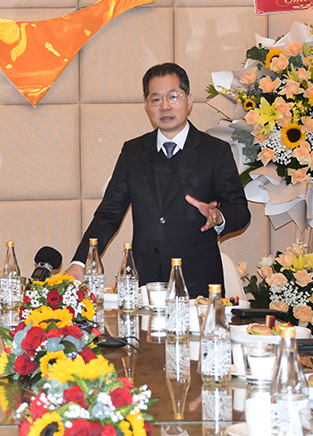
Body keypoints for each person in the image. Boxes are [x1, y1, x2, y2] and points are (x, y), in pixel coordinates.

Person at [64, 63, 250, 297]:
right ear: (146, 105)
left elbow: (240, 210)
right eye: (156, 99)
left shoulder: (214, 151)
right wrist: (80, 262)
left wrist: (220, 216)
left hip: (198, 282)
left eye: (173, 96)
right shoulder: (133, 152)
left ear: (189, 101)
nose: (165, 106)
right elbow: (108, 214)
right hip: (145, 282)